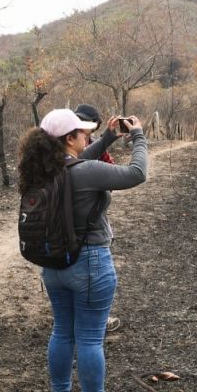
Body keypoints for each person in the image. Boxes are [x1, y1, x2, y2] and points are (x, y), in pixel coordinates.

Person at [16, 108, 147, 392]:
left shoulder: (42, 171)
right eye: (82, 133)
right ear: (69, 138)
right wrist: (138, 136)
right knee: (89, 338)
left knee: (63, 330)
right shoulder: (86, 171)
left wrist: (107, 139)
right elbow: (137, 173)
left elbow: (80, 159)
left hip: (54, 265)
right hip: (89, 264)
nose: (87, 137)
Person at [73, 103, 121, 334]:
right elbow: (136, 174)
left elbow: (110, 170)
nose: (82, 127)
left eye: (86, 122)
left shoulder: (94, 146)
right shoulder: (71, 147)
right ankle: (94, 318)